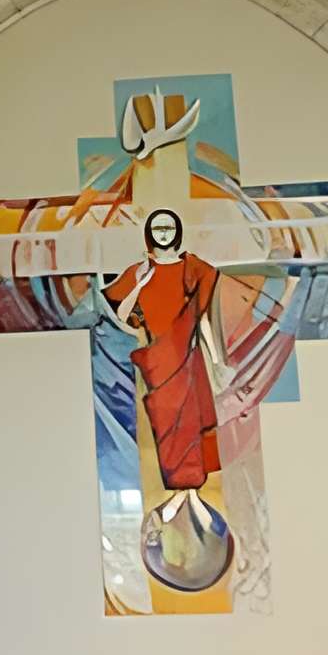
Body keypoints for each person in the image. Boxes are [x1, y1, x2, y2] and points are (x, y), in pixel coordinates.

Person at [103, 208, 227, 487]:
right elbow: (121, 315)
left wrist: (217, 361)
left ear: (177, 231)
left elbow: (203, 317)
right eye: (158, 229)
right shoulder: (138, 272)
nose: (163, 234)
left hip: (188, 356)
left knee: (191, 418)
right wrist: (141, 283)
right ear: (149, 233)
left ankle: (193, 482)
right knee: (165, 417)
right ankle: (176, 482)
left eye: (168, 228)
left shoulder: (194, 268)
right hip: (156, 359)